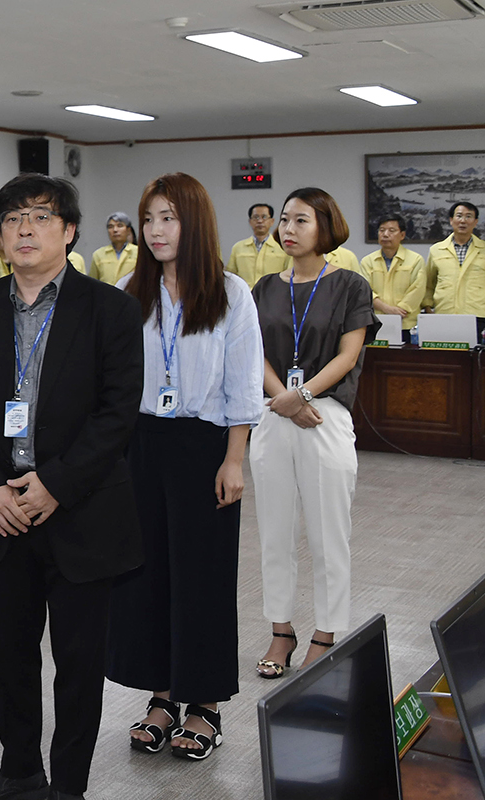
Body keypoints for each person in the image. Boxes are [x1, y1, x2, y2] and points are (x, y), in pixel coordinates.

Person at [0, 173, 144, 800]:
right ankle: (20, 771)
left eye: (40, 216)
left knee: (78, 658)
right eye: (12, 219)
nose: (24, 229)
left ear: (69, 230)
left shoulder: (111, 309)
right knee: (11, 650)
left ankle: (69, 786)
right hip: (3, 510)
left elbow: (118, 412)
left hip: (81, 508)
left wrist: (56, 483)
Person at [106, 173, 263, 763]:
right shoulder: (129, 290)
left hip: (205, 446)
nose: (154, 230)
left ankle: (205, 705)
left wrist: (234, 459)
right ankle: (161, 696)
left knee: (203, 578)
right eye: (148, 219)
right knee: (146, 576)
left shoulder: (230, 293)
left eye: (168, 218)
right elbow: (115, 379)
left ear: (193, 223)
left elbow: (244, 383)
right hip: (142, 444)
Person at [250, 187, 378, 683]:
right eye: (284, 219)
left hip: (325, 415)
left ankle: (326, 634)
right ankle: (281, 631)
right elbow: (255, 353)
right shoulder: (264, 287)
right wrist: (283, 398)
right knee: (274, 533)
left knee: (329, 533)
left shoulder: (349, 284)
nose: (288, 228)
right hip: (273, 413)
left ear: (325, 227)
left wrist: (301, 396)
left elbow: (349, 355)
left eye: (301, 220)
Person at [359, 215, 426, 330]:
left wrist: (400, 310)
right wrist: (387, 309)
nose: (385, 234)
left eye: (391, 230)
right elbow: (365, 291)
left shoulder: (415, 260)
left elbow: (418, 289)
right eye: (382, 230)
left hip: (406, 322)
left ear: (402, 235)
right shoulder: (368, 261)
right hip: (376, 321)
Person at [425, 201, 484, 316]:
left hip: (478, 314)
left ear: (475, 222)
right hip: (444, 313)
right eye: (459, 216)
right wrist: (427, 306)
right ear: (451, 220)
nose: (463, 221)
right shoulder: (436, 250)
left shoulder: (483, 249)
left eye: (468, 216)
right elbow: (428, 284)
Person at [225, 204, 289, 287]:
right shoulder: (238, 248)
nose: (260, 221)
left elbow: (288, 276)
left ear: (272, 221)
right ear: (250, 221)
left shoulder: (282, 247)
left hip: (273, 293)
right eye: (256, 217)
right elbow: (231, 276)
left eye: (264, 217)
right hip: (246, 293)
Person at [89, 212, 139, 286]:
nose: (115, 230)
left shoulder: (138, 252)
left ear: (128, 230)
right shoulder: (98, 254)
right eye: (110, 227)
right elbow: (92, 283)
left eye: (120, 226)